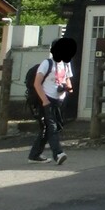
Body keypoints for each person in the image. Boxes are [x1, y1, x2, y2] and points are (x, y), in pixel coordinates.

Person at [28, 36, 77, 166]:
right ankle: (58, 154)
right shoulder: (47, 64)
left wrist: (67, 88)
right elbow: (37, 83)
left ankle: (34, 155)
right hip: (47, 99)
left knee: (52, 127)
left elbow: (67, 79)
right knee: (52, 127)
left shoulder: (66, 64)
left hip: (59, 101)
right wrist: (45, 101)